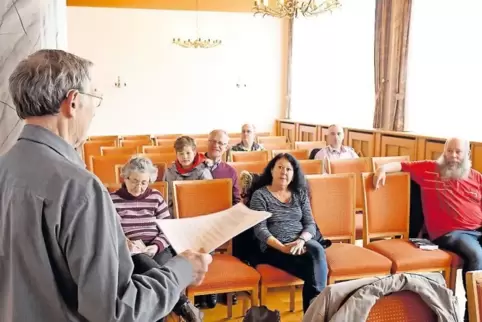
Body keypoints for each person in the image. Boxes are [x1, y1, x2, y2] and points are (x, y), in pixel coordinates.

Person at [0, 49, 212, 322]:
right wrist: (181, 270)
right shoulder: (79, 188)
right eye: (94, 98)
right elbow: (114, 312)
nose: (94, 111)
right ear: (73, 102)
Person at [373, 137, 482, 322]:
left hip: (478, 229)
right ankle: (473, 315)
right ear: (444, 151)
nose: (453, 156)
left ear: (467, 155)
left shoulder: (476, 177)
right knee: (477, 256)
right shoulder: (429, 169)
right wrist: (382, 168)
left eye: (458, 152)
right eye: (449, 151)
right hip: (450, 233)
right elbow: (400, 165)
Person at [111, 155, 203, 321]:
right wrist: (124, 242)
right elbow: (111, 232)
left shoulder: (155, 197)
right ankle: (183, 304)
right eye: (134, 181)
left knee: (154, 275)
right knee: (144, 263)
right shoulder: (113, 200)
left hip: (157, 248)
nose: (139, 187)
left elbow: (168, 229)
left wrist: (155, 246)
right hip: (130, 252)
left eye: (144, 182)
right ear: (125, 178)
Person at [249, 153, 328, 313]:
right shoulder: (260, 195)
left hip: (302, 243)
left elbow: (310, 224)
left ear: (294, 174)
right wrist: (282, 247)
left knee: (316, 252)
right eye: (280, 167)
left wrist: (300, 241)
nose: (284, 172)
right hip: (275, 247)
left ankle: (314, 314)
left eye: (288, 169)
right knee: (312, 269)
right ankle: (316, 314)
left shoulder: (300, 193)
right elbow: (260, 230)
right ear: (272, 170)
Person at [164, 136, 213, 215]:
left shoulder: (203, 171)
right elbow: (167, 198)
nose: (185, 157)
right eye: (181, 153)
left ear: (194, 152)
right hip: (173, 213)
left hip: (197, 212)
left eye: (188, 153)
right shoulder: (169, 172)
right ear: (176, 154)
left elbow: (208, 198)